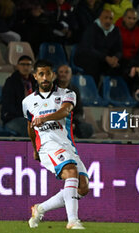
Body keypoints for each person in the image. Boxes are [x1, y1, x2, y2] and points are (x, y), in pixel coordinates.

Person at [23, 60, 89, 230]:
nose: (45, 77)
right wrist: (34, 149)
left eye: (48, 73)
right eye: (41, 74)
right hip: (47, 145)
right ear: (35, 77)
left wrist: (44, 118)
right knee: (71, 171)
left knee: (82, 187)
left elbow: (65, 111)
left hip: (67, 145)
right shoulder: (28, 102)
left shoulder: (67, 94)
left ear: (53, 75)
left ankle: (40, 208)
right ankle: (73, 220)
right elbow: (31, 127)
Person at [74, 9, 122, 85]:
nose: (108, 21)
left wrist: (115, 58)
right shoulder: (91, 28)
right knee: (94, 65)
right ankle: (93, 91)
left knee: (120, 66)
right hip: (87, 57)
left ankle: (110, 93)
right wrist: (106, 58)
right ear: (100, 18)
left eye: (110, 19)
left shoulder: (115, 30)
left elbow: (119, 49)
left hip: (105, 59)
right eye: (105, 18)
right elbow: (89, 49)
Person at [55, 64, 94, 138]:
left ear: (71, 75)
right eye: (61, 72)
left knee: (88, 129)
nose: (63, 74)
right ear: (57, 74)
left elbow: (79, 111)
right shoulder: (51, 89)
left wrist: (73, 123)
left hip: (70, 122)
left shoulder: (74, 90)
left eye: (66, 72)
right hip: (53, 122)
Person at [1, 55, 36, 137]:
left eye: (28, 65)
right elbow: (9, 105)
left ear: (32, 67)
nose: (25, 67)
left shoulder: (35, 83)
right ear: (17, 66)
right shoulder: (11, 82)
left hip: (33, 118)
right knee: (29, 127)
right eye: (22, 64)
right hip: (14, 118)